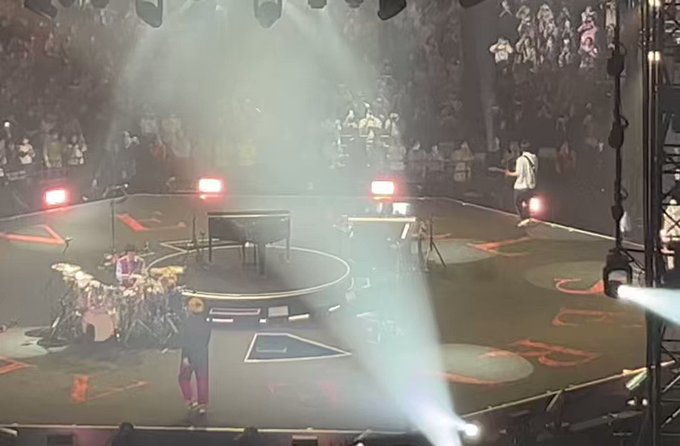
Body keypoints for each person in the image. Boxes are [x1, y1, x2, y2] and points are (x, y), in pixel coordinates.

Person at [178, 297, 211, 415]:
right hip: (202, 355)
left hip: (190, 354)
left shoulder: (186, 323)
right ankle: (203, 405)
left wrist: (185, 356)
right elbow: (206, 340)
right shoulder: (206, 323)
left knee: (183, 378)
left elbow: (185, 341)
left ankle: (190, 400)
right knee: (202, 379)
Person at [505, 141, 538, 227]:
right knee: (527, 203)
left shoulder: (520, 160)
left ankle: (523, 219)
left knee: (517, 202)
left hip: (520, 186)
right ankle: (528, 218)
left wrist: (509, 173)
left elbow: (518, 173)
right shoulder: (534, 158)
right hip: (531, 185)